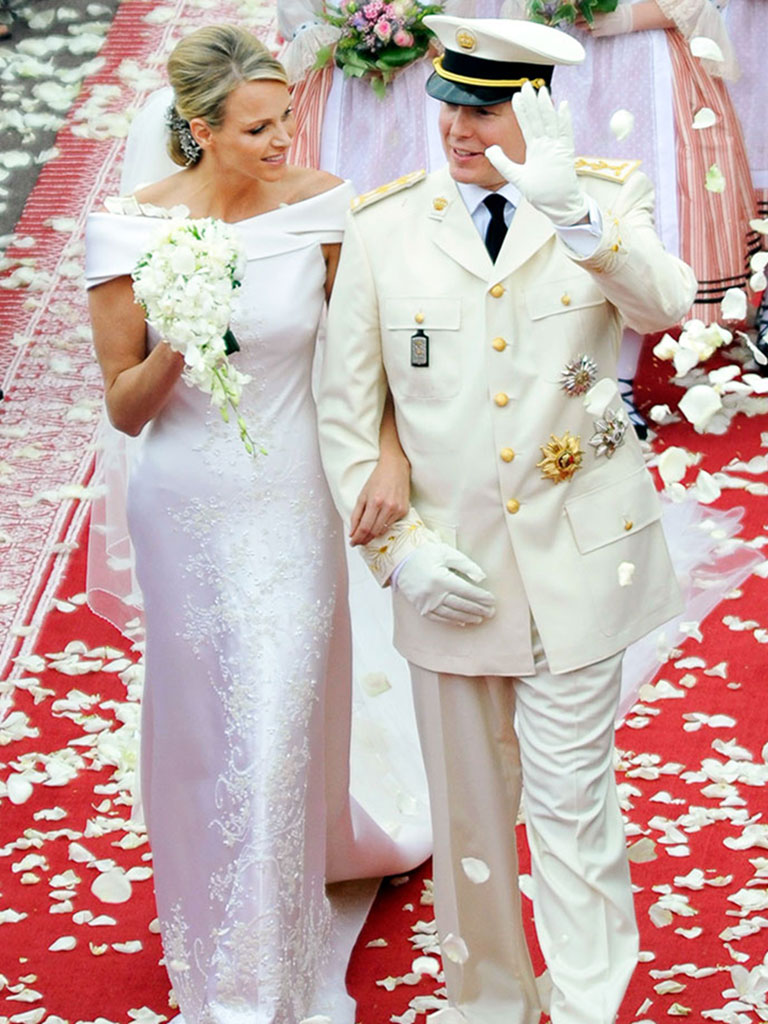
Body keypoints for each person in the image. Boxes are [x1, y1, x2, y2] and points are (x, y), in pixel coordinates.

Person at [318, 16, 698, 1024]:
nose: (458, 130)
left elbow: (665, 305)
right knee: (472, 819)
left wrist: (576, 217)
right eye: (448, 106)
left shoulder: (603, 200)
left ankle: (585, 1009)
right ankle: (489, 1003)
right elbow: (348, 413)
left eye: (483, 111)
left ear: (535, 110)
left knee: (574, 809)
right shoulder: (382, 229)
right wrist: (399, 555)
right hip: (454, 571)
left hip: (580, 561)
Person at [84, 25, 430, 1024]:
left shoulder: (324, 207)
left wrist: (394, 458)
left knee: (279, 718)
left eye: (286, 119)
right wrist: (178, 348)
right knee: (208, 731)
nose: (283, 139)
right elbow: (124, 405)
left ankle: (253, 981)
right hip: (184, 506)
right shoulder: (127, 235)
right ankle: (231, 925)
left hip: (293, 498)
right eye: (257, 127)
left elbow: (370, 355)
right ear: (198, 131)